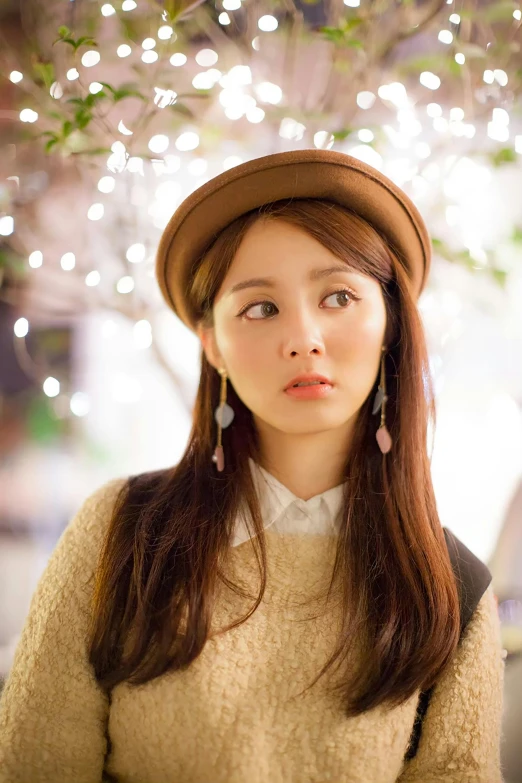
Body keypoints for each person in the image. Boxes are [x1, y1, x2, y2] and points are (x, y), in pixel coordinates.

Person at [0, 150, 505, 782]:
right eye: (260, 308)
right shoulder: (122, 532)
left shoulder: (451, 590)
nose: (304, 337)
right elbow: (35, 762)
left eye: (339, 296)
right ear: (212, 343)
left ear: (391, 324)